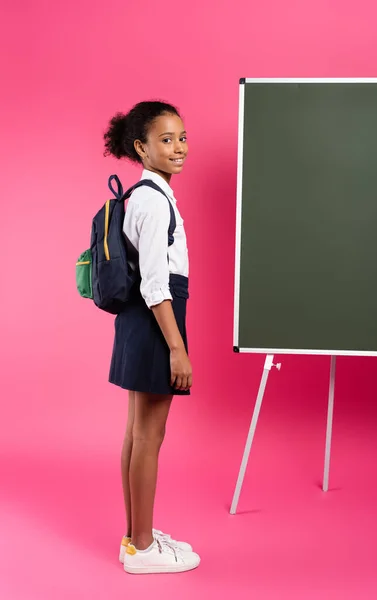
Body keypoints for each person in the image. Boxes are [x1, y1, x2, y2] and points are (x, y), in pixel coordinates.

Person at [104, 101, 200, 574]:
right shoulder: (152, 201)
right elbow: (156, 285)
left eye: (182, 137)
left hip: (140, 323)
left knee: (137, 434)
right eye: (166, 140)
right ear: (141, 147)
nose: (178, 147)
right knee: (149, 436)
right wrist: (177, 348)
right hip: (155, 322)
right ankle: (142, 549)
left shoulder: (149, 195)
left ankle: (135, 536)